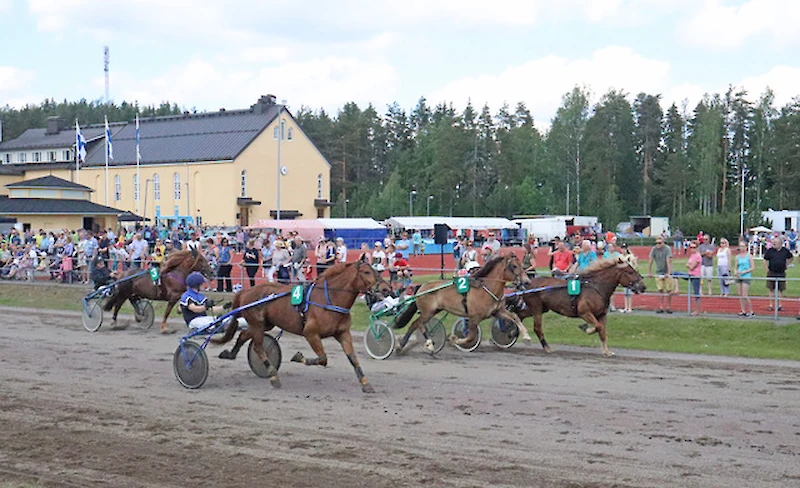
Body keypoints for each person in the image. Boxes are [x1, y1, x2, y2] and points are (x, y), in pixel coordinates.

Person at [763, 236, 792, 311]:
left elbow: (791, 257)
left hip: (781, 272)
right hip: (772, 272)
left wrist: (786, 264)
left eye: (775, 242)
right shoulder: (770, 251)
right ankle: (770, 305)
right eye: (773, 242)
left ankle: (780, 305)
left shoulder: (785, 251)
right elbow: (765, 259)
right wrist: (766, 269)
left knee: (780, 289)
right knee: (771, 289)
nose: (773, 243)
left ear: (780, 243)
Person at [648, 237, 674, 314]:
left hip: (667, 271)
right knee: (660, 290)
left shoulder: (667, 249)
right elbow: (651, 260)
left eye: (660, 243)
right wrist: (649, 271)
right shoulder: (654, 249)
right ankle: (661, 306)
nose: (658, 245)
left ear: (663, 243)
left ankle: (668, 306)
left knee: (669, 290)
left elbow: (668, 260)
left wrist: (669, 272)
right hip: (659, 271)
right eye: (657, 243)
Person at [734, 241, 754, 317]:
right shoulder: (737, 257)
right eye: (740, 246)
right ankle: (743, 310)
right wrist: (736, 272)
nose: (742, 248)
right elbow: (735, 267)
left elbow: (752, 267)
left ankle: (751, 311)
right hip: (739, 276)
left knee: (745, 294)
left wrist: (744, 272)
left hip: (746, 276)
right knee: (740, 294)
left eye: (743, 246)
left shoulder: (749, 256)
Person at [620, 244, 638, 313]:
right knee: (625, 292)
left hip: (629, 276)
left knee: (629, 292)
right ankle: (626, 307)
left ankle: (629, 307)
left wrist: (632, 271)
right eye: (622, 249)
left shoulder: (630, 256)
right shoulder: (620, 256)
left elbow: (635, 264)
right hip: (624, 276)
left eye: (624, 249)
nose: (623, 250)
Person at [686, 241, 702, 316]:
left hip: (695, 276)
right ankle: (676, 288)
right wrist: (689, 265)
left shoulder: (698, 256)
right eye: (691, 247)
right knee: (676, 274)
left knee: (696, 293)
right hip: (690, 274)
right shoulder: (692, 255)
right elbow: (687, 264)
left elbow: (691, 266)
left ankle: (697, 310)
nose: (692, 249)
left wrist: (689, 265)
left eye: (694, 247)